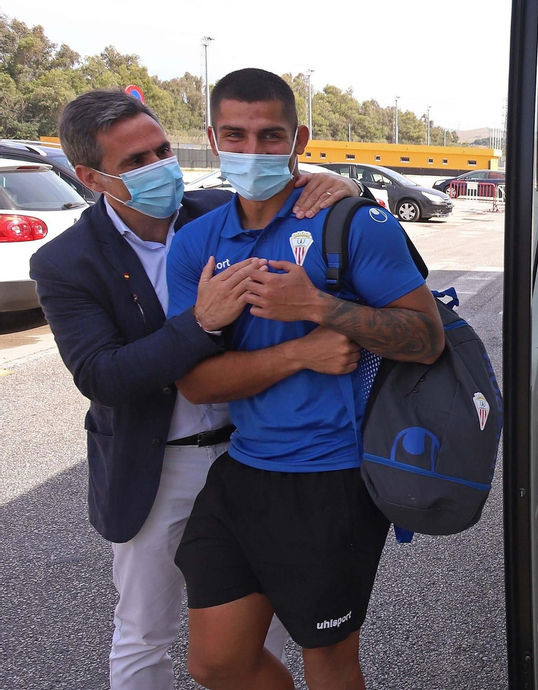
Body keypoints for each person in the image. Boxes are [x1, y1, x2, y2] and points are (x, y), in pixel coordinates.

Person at [29, 90, 362, 690]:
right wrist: (200, 322)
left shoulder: (214, 212)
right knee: (144, 633)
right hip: (158, 467)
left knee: (268, 634)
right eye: (135, 162)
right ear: (91, 177)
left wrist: (342, 188)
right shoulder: (67, 261)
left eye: (162, 149)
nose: (160, 167)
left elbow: (305, 202)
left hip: (248, 455)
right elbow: (102, 376)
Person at [165, 69, 444, 690]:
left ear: (300, 137)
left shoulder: (353, 224)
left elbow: (426, 340)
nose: (253, 150)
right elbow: (196, 384)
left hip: (331, 480)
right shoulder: (196, 244)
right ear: (213, 137)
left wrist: (318, 306)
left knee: (330, 660)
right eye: (235, 134)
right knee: (216, 663)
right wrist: (303, 352)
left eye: (271, 136)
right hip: (242, 471)